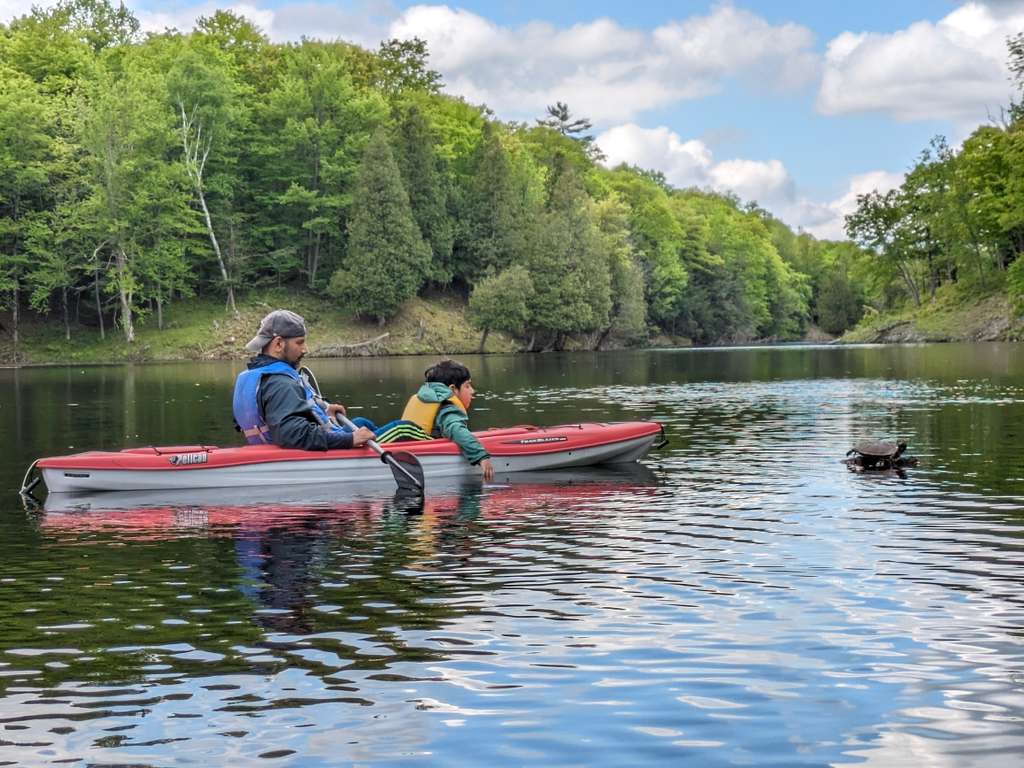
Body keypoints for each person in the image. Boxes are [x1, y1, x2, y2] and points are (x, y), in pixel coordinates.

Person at [232, 309, 376, 450]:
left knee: (360, 423)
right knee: (399, 428)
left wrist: (323, 415)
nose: (305, 349)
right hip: (302, 456)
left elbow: (275, 420)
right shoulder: (280, 384)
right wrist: (350, 439)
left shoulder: (257, 377)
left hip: (275, 450)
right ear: (278, 344)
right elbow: (293, 434)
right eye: (299, 343)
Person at [378, 360, 494, 481]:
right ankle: (362, 444)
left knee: (396, 427)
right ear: (453, 389)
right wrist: (482, 457)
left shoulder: (436, 401)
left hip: (415, 442)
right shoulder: (448, 407)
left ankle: (363, 442)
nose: (472, 391)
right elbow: (457, 430)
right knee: (402, 428)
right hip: (422, 442)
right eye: (467, 386)